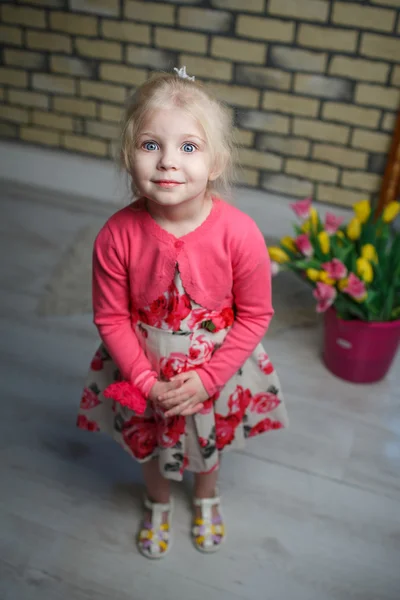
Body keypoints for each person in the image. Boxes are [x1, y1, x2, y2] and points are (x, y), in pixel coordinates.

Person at [77, 67, 288, 559]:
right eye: (151, 145)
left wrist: (210, 379)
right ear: (129, 156)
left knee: (204, 440)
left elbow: (256, 316)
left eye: (189, 147)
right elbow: (110, 319)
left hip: (213, 369)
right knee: (150, 444)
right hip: (141, 365)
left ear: (216, 163)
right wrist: (147, 384)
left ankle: (207, 496)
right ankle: (158, 503)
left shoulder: (240, 233)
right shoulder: (116, 235)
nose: (169, 162)